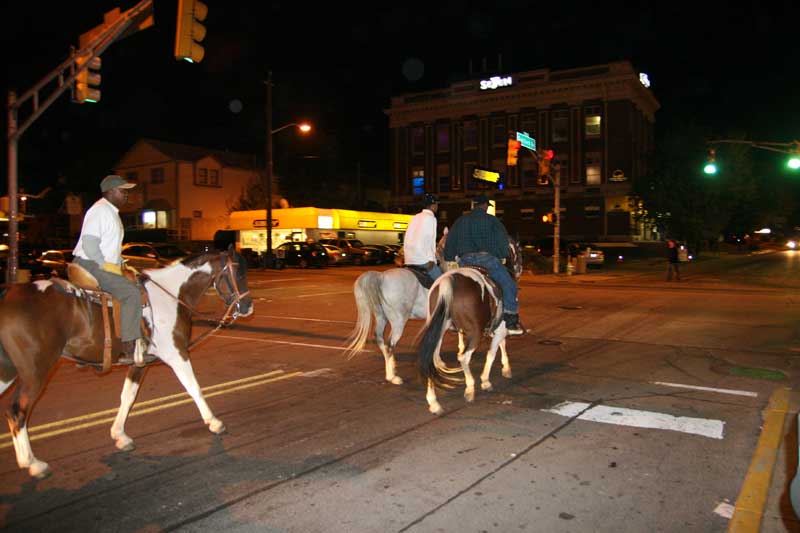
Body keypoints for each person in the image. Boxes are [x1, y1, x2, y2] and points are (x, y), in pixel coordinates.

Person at [73, 175, 145, 365]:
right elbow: (89, 243)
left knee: (134, 281)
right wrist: (104, 264)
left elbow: (108, 244)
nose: (126, 195)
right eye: (123, 191)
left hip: (99, 262)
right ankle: (129, 349)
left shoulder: (110, 211)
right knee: (131, 293)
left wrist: (122, 262)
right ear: (111, 192)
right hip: (90, 264)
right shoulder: (100, 210)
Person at [443, 193, 524, 336]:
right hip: (488, 261)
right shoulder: (493, 221)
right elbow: (502, 242)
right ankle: (511, 320)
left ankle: (451, 318)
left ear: (474, 205)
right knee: (509, 285)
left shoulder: (461, 221)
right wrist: (502, 255)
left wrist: (450, 257)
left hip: (465, 262)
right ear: (485, 206)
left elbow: (449, 242)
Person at [403, 193, 443, 282]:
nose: (437, 206)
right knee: (442, 282)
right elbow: (429, 240)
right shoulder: (431, 218)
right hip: (422, 260)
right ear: (432, 205)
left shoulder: (415, 217)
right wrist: (431, 260)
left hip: (409, 260)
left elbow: (407, 237)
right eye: (436, 204)